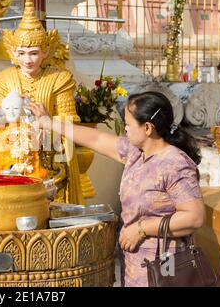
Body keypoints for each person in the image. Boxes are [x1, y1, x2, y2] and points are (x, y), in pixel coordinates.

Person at [28, 91, 205, 287]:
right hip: (135, 267)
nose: (125, 130)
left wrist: (141, 229)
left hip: (165, 267)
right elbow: (95, 139)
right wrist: (49, 122)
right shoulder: (136, 152)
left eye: (128, 125)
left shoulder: (174, 163)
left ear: (147, 128)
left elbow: (193, 217)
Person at [0, 0, 84, 204]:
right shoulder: (2, 80)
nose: (27, 60)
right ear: (13, 52)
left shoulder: (60, 78)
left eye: (33, 53)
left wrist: (46, 121)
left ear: (46, 51)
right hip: (9, 150)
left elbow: (71, 120)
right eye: (21, 53)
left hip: (48, 153)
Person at [0, 91, 47, 179]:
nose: (11, 112)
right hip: (1, 163)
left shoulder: (28, 128)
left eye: (16, 108)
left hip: (22, 162)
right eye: (7, 108)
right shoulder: (1, 129)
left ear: (23, 109)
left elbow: (37, 142)